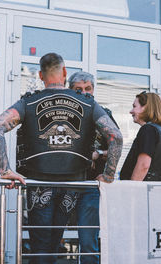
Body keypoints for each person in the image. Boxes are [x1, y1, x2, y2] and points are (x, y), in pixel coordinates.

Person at [0, 53, 123, 264]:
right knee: (53, 243)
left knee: (40, 246)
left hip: (39, 183)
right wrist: (108, 175)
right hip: (72, 184)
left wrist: (5, 170)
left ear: (41, 75)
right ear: (65, 73)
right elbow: (116, 136)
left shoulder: (29, 101)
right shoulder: (88, 103)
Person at [68, 71, 118, 264]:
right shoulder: (62, 113)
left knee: (88, 240)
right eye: (78, 89)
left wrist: (103, 162)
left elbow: (116, 145)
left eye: (88, 89)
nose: (84, 93)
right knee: (52, 237)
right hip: (63, 183)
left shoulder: (104, 114)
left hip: (91, 186)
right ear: (70, 90)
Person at [119, 91, 161, 181]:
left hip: (148, 192)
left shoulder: (148, 130)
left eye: (134, 106)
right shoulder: (156, 130)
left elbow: (143, 166)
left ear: (146, 108)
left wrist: (131, 191)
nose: (131, 111)